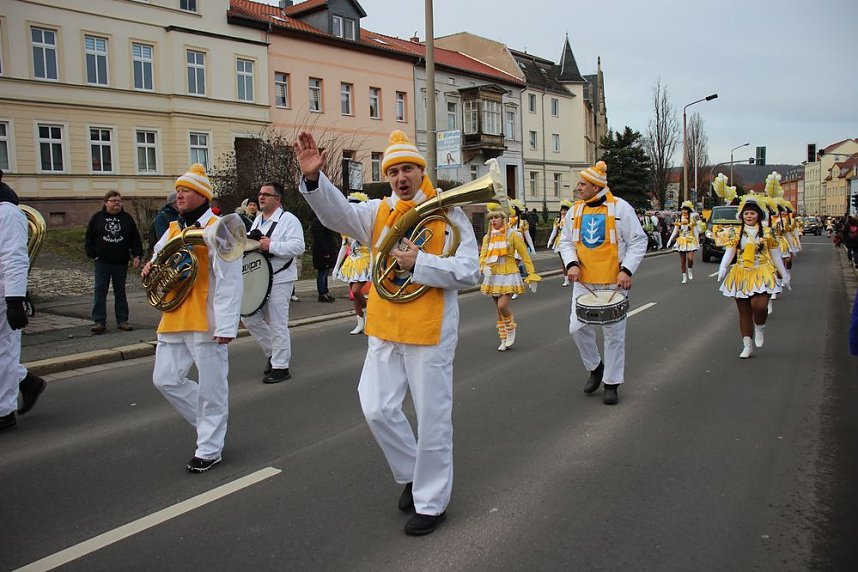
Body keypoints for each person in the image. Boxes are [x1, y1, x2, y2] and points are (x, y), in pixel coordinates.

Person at [294, 129, 480, 536]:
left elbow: (470, 271)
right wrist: (313, 180)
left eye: (408, 169)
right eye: (393, 170)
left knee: (432, 417)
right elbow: (337, 214)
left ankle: (431, 502)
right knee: (375, 407)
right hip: (385, 326)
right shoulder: (377, 212)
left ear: (420, 171)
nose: (400, 177)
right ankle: (412, 474)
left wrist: (421, 263)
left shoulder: (449, 214)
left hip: (430, 329)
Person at [143, 163, 243, 472]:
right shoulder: (174, 228)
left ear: (201, 195)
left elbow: (230, 279)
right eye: (179, 189)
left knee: (212, 388)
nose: (179, 194)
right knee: (165, 379)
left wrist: (227, 324)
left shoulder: (219, 226)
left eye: (185, 190)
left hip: (207, 318)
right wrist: (151, 268)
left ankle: (210, 447)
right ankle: (210, 427)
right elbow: (159, 261)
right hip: (174, 317)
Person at [559, 161, 647, 406]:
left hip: (613, 284)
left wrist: (626, 269)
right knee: (576, 329)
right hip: (584, 284)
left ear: (596, 186)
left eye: (582, 184)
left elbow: (639, 241)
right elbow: (565, 242)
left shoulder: (621, 208)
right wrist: (571, 264)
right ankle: (595, 366)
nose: (578, 188)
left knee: (614, 335)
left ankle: (611, 383)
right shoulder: (575, 211)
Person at [244, 182, 306, 384]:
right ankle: (274, 352)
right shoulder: (257, 221)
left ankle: (281, 366)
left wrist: (271, 245)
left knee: (277, 323)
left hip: (280, 278)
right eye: (260, 194)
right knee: (249, 318)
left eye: (266, 194)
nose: (261, 197)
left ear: (277, 199)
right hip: (259, 277)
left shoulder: (289, 220)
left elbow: (298, 246)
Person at [716, 194, 789, 359]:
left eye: (752, 213)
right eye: (746, 213)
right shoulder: (736, 232)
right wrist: (723, 266)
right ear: (742, 215)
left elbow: (775, 255)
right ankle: (747, 346)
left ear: (758, 215)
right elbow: (731, 251)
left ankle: (760, 326)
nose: (749, 216)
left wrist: (784, 275)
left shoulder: (768, 232)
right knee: (744, 312)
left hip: (762, 271)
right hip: (741, 272)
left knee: (760, 306)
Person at [1, 172, 47, 431]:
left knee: (4, 351)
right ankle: (28, 383)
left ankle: (3, 412)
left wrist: (15, 300)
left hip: (3, 293)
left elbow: (15, 258)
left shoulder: (7, 212)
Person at [479, 202, 541, 351]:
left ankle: (511, 329)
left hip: (509, 272)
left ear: (503, 218)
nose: (493, 221)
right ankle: (503, 338)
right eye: (491, 218)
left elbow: (524, 255)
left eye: (496, 218)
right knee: (498, 309)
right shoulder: (487, 237)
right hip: (493, 274)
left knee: (502, 305)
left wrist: (531, 274)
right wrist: (483, 266)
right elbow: (483, 255)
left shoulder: (512, 235)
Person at [84, 190, 143, 334]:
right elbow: (89, 238)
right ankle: (99, 321)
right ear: (106, 203)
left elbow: (135, 238)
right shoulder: (97, 218)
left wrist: (137, 255)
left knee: (120, 292)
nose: (117, 203)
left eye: (119, 201)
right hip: (102, 262)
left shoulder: (127, 219)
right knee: (100, 290)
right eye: (113, 201)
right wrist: (93, 255)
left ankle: (122, 320)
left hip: (120, 262)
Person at [331, 192, 373, 334]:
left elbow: (374, 247)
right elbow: (344, 246)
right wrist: (336, 267)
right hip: (352, 262)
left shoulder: (367, 226)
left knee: (356, 291)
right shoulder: (346, 228)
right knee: (354, 294)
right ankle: (360, 322)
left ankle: (371, 315)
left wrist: (373, 265)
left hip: (365, 260)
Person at [665, 200, 700, 284]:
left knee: (690, 258)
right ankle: (684, 276)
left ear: (688, 210)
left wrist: (698, 241)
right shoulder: (679, 218)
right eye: (682, 209)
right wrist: (669, 240)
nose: (684, 211)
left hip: (691, 239)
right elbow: (675, 230)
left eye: (685, 209)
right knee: (683, 261)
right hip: (682, 240)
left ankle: (690, 269)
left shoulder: (692, 218)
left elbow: (695, 231)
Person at [311, 213, 338, 303]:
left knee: (324, 272)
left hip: (323, 250)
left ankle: (325, 292)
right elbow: (320, 239)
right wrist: (325, 252)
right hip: (322, 252)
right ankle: (322, 293)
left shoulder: (320, 222)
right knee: (322, 272)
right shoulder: (318, 223)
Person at [546, 200, 573, 286]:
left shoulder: (571, 219)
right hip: (560, 241)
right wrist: (550, 241)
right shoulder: (557, 220)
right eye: (562, 210)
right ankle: (566, 278)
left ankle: (572, 275)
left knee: (570, 259)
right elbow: (554, 231)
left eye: (565, 210)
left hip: (570, 240)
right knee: (563, 260)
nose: (563, 212)